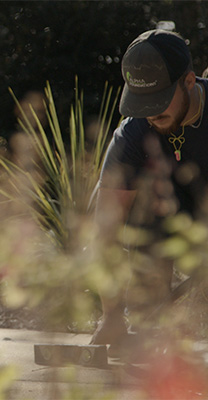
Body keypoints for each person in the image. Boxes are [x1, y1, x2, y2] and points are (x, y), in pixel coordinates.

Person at [91, 29, 208, 354]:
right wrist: (111, 315)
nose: (150, 113)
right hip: (162, 221)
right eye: (142, 102)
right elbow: (106, 232)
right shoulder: (132, 135)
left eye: (158, 99)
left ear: (188, 81)